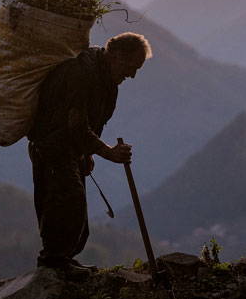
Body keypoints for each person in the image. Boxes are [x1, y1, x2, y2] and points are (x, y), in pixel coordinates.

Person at [26, 32, 152, 276]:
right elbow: (76, 125)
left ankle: (62, 259)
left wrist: (86, 154)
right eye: (130, 66)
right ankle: (53, 263)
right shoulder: (81, 74)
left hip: (69, 149)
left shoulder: (106, 82)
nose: (132, 75)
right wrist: (108, 152)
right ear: (115, 56)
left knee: (73, 207)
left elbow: (92, 123)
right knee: (66, 201)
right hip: (52, 147)